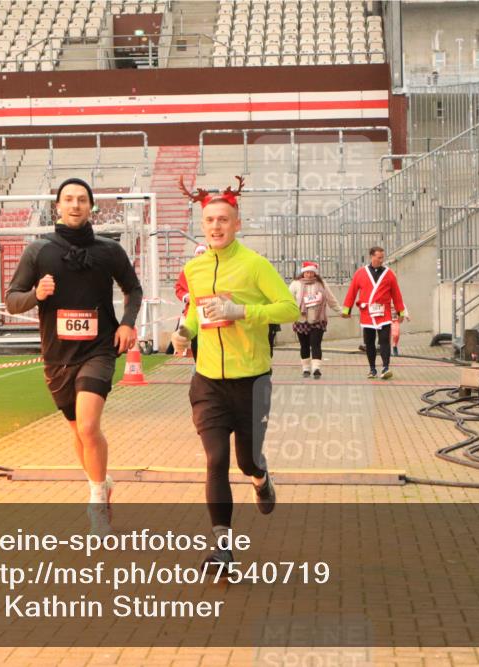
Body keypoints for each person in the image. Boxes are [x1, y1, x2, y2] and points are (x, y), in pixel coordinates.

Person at [171, 176, 299, 570]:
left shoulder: (255, 265)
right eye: (209, 220)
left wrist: (244, 311)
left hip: (251, 381)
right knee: (215, 460)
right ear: (202, 223)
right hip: (208, 380)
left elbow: (289, 309)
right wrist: (183, 332)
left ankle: (261, 479)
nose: (216, 227)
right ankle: (223, 546)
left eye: (223, 220)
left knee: (247, 461)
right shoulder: (195, 267)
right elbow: (196, 311)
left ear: (237, 223)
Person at [6, 178, 142, 535]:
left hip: (99, 349)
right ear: (58, 207)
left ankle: (96, 500)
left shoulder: (109, 250)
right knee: (77, 431)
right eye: (69, 199)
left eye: (82, 200)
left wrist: (127, 323)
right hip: (57, 355)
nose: (76, 205)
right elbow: (12, 299)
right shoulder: (38, 251)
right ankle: (103, 481)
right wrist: (36, 293)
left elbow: (133, 288)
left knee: (87, 425)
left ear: (92, 207)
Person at [342, 246, 408, 379]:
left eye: (382, 257)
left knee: (384, 341)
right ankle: (372, 369)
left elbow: (396, 294)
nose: (381, 260)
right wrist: (346, 310)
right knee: (369, 343)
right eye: (379, 257)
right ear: (371, 256)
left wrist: (401, 312)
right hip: (367, 314)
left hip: (384, 314)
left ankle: (385, 368)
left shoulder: (389, 274)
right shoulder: (360, 273)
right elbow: (352, 292)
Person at [288, 260, 340, 379]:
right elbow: (288, 299)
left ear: (315, 273)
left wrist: (341, 311)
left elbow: (331, 300)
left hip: (318, 319)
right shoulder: (296, 284)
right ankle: (306, 368)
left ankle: (316, 368)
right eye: (307, 273)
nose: (309, 275)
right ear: (303, 273)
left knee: (316, 344)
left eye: (312, 273)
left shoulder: (321, 284)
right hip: (301, 319)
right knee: (304, 345)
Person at [173, 244, 206, 361]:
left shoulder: (212, 268)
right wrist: (186, 296)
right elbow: (178, 288)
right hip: (192, 311)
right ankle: (198, 365)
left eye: (203, 252)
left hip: (208, 310)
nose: (201, 255)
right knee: (195, 340)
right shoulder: (188, 269)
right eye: (199, 252)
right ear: (195, 254)